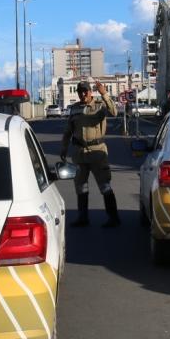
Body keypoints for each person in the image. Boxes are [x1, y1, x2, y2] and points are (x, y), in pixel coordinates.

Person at [60, 80, 120, 228]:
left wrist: (104, 93)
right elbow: (68, 130)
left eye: (85, 91)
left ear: (90, 92)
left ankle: (113, 218)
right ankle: (83, 217)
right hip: (80, 153)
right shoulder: (74, 109)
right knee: (80, 187)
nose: (83, 93)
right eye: (80, 91)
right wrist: (64, 148)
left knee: (105, 186)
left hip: (97, 153)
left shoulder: (99, 105)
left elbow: (114, 112)